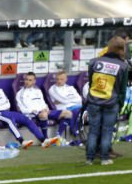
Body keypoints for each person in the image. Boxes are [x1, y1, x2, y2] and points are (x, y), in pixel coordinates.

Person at [85, 36, 128, 165]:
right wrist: (120, 105)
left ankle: (89, 158)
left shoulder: (94, 62)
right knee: (107, 131)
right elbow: (122, 89)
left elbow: (91, 81)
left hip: (94, 101)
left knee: (93, 130)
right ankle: (104, 158)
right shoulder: (123, 66)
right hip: (111, 102)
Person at [0, 73, 46, 149]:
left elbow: (8, 104)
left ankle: (43, 140)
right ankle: (22, 141)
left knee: (26, 119)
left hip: (4, 111)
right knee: (10, 121)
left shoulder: (0, 90)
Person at [15, 72, 64, 147]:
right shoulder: (20, 94)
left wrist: (46, 108)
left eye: (30, 80)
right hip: (33, 114)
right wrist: (36, 111)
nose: (27, 82)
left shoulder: (38, 91)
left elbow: (43, 103)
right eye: (26, 80)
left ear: (34, 81)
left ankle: (59, 136)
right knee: (44, 115)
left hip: (43, 111)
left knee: (67, 113)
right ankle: (45, 138)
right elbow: (22, 109)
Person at [47, 70, 83, 145]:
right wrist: (71, 100)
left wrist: (67, 100)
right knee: (76, 112)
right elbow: (63, 100)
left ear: (66, 79)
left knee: (84, 110)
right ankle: (75, 133)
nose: (59, 81)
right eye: (57, 79)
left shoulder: (71, 88)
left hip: (76, 107)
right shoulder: (52, 89)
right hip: (63, 108)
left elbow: (79, 99)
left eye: (61, 79)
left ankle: (59, 136)